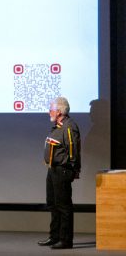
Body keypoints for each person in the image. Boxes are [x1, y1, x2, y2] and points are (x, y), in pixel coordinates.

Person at [37, 97, 81, 249]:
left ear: (60, 111)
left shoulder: (69, 127)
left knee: (63, 206)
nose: (49, 111)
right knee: (53, 204)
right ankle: (54, 237)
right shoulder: (57, 126)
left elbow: (73, 151)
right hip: (53, 169)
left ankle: (66, 240)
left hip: (62, 170)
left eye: (52, 109)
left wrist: (73, 170)